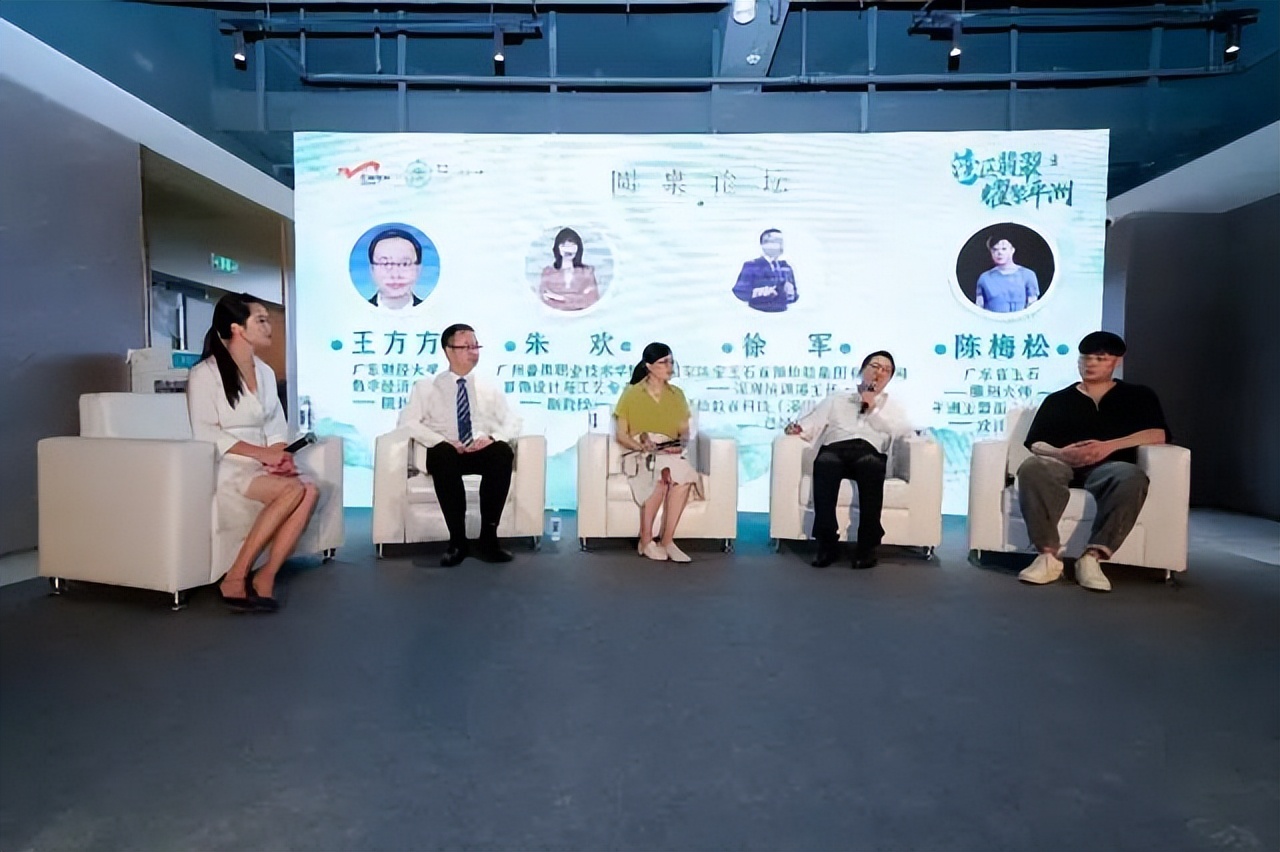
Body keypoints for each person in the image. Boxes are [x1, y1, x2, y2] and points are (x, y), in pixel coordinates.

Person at [187, 293, 319, 612]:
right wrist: (262, 455)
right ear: (237, 328)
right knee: (293, 490)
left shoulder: (265, 372)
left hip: (259, 464)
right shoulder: (204, 374)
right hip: (227, 464)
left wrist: (279, 456)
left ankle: (266, 576)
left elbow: (275, 427)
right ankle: (235, 575)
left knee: (309, 490)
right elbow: (205, 432)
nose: (268, 326)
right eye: (260, 320)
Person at [1016, 331, 1169, 593]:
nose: (1090, 364)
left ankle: (1092, 558)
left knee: (1131, 477)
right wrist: (1060, 453)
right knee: (1032, 467)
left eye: (1100, 358)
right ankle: (1048, 556)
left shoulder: (1139, 396)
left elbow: (1158, 434)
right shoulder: (1058, 400)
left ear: (1117, 361)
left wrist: (1108, 446)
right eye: (1085, 358)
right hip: (1064, 464)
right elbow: (1036, 442)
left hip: (1111, 467)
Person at [397, 323, 521, 566]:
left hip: (476, 450)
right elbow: (408, 422)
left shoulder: (488, 387)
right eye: (466, 347)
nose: (473, 351)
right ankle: (457, 541)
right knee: (443, 454)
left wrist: (492, 438)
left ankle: (488, 539)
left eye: (476, 346)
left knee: (502, 452)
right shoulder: (426, 387)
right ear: (449, 351)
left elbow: (513, 421)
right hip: (446, 453)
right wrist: (442, 441)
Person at [783, 350, 913, 569]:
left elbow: (901, 432)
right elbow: (813, 422)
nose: (879, 373)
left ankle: (867, 546)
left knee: (870, 466)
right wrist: (799, 429)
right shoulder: (838, 398)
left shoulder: (893, 406)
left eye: (886, 370)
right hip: (836, 449)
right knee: (825, 463)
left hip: (869, 452)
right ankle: (827, 542)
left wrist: (873, 407)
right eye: (875, 366)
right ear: (862, 370)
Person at [613, 343, 701, 563]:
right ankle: (646, 540)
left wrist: (679, 444)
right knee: (661, 476)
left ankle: (667, 541)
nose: (669, 367)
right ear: (649, 366)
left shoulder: (677, 395)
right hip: (639, 452)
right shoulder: (632, 394)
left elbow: (684, 431)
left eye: (671, 362)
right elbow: (621, 435)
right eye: (664, 362)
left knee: (684, 477)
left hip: (668, 450)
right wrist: (641, 446)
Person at [732, 228, 798, 313]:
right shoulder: (751, 266)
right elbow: (739, 291)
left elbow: (794, 295)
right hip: (756, 312)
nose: (781, 246)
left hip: (783, 313)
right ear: (764, 244)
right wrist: (756, 292)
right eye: (776, 242)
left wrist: (791, 293)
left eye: (781, 242)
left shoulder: (786, 267)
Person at [539, 228, 600, 311]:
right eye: (563, 245)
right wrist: (578, 298)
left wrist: (560, 298)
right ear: (557, 248)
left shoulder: (587, 272)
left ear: (578, 248)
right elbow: (544, 301)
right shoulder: (548, 272)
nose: (568, 249)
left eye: (572, 245)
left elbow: (591, 300)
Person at [974, 234, 1040, 313]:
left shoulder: (1028, 275)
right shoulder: (985, 278)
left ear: (1012, 250)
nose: (999, 253)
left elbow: (1033, 307)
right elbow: (979, 309)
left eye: (1004, 249)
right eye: (995, 249)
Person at [367, 228, 425, 310]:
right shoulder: (356, 313)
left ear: (418, 269)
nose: (395, 275)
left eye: (405, 264)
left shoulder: (435, 313)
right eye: (385, 263)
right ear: (372, 269)